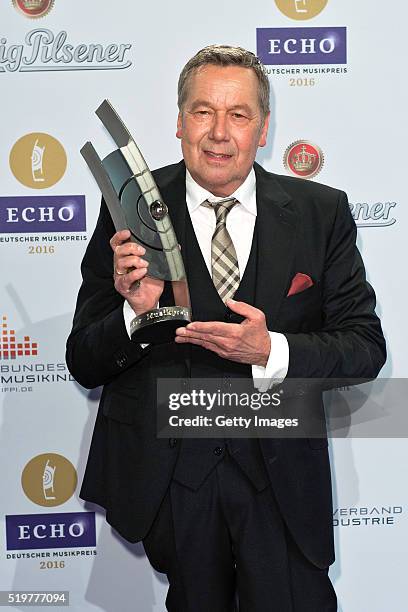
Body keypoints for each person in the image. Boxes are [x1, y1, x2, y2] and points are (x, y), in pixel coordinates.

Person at [66, 45, 386, 611]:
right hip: (173, 476)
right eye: (202, 112)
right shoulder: (130, 207)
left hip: (279, 474)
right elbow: (84, 360)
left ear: (263, 129)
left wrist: (273, 349)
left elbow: (364, 347)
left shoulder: (320, 211)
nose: (218, 132)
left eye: (238, 114)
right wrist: (134, 313)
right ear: (179, 122)